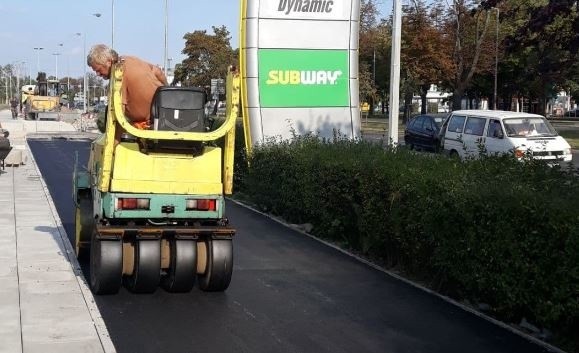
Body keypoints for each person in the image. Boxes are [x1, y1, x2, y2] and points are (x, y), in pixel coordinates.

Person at [87, 44, 167, 144]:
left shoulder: (118, 74)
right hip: (163, 115)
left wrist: (114, 144)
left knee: (103, 121)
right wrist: (167, 92)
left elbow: (119, 115)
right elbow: (158, 72)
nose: (98, 74)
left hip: (147, 122)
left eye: (98, 70)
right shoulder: (130, 59)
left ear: (108, 61)